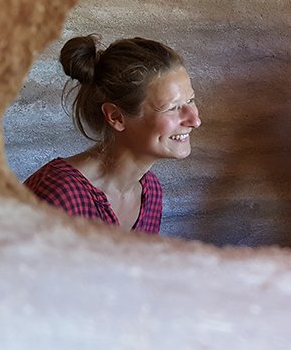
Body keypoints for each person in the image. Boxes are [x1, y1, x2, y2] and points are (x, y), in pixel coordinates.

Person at [23, 35, 201, 234]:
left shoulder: (150, 192)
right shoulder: (58, 197)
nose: (195, 120)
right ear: (116, 117)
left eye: (191, 100)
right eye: (172, 108)